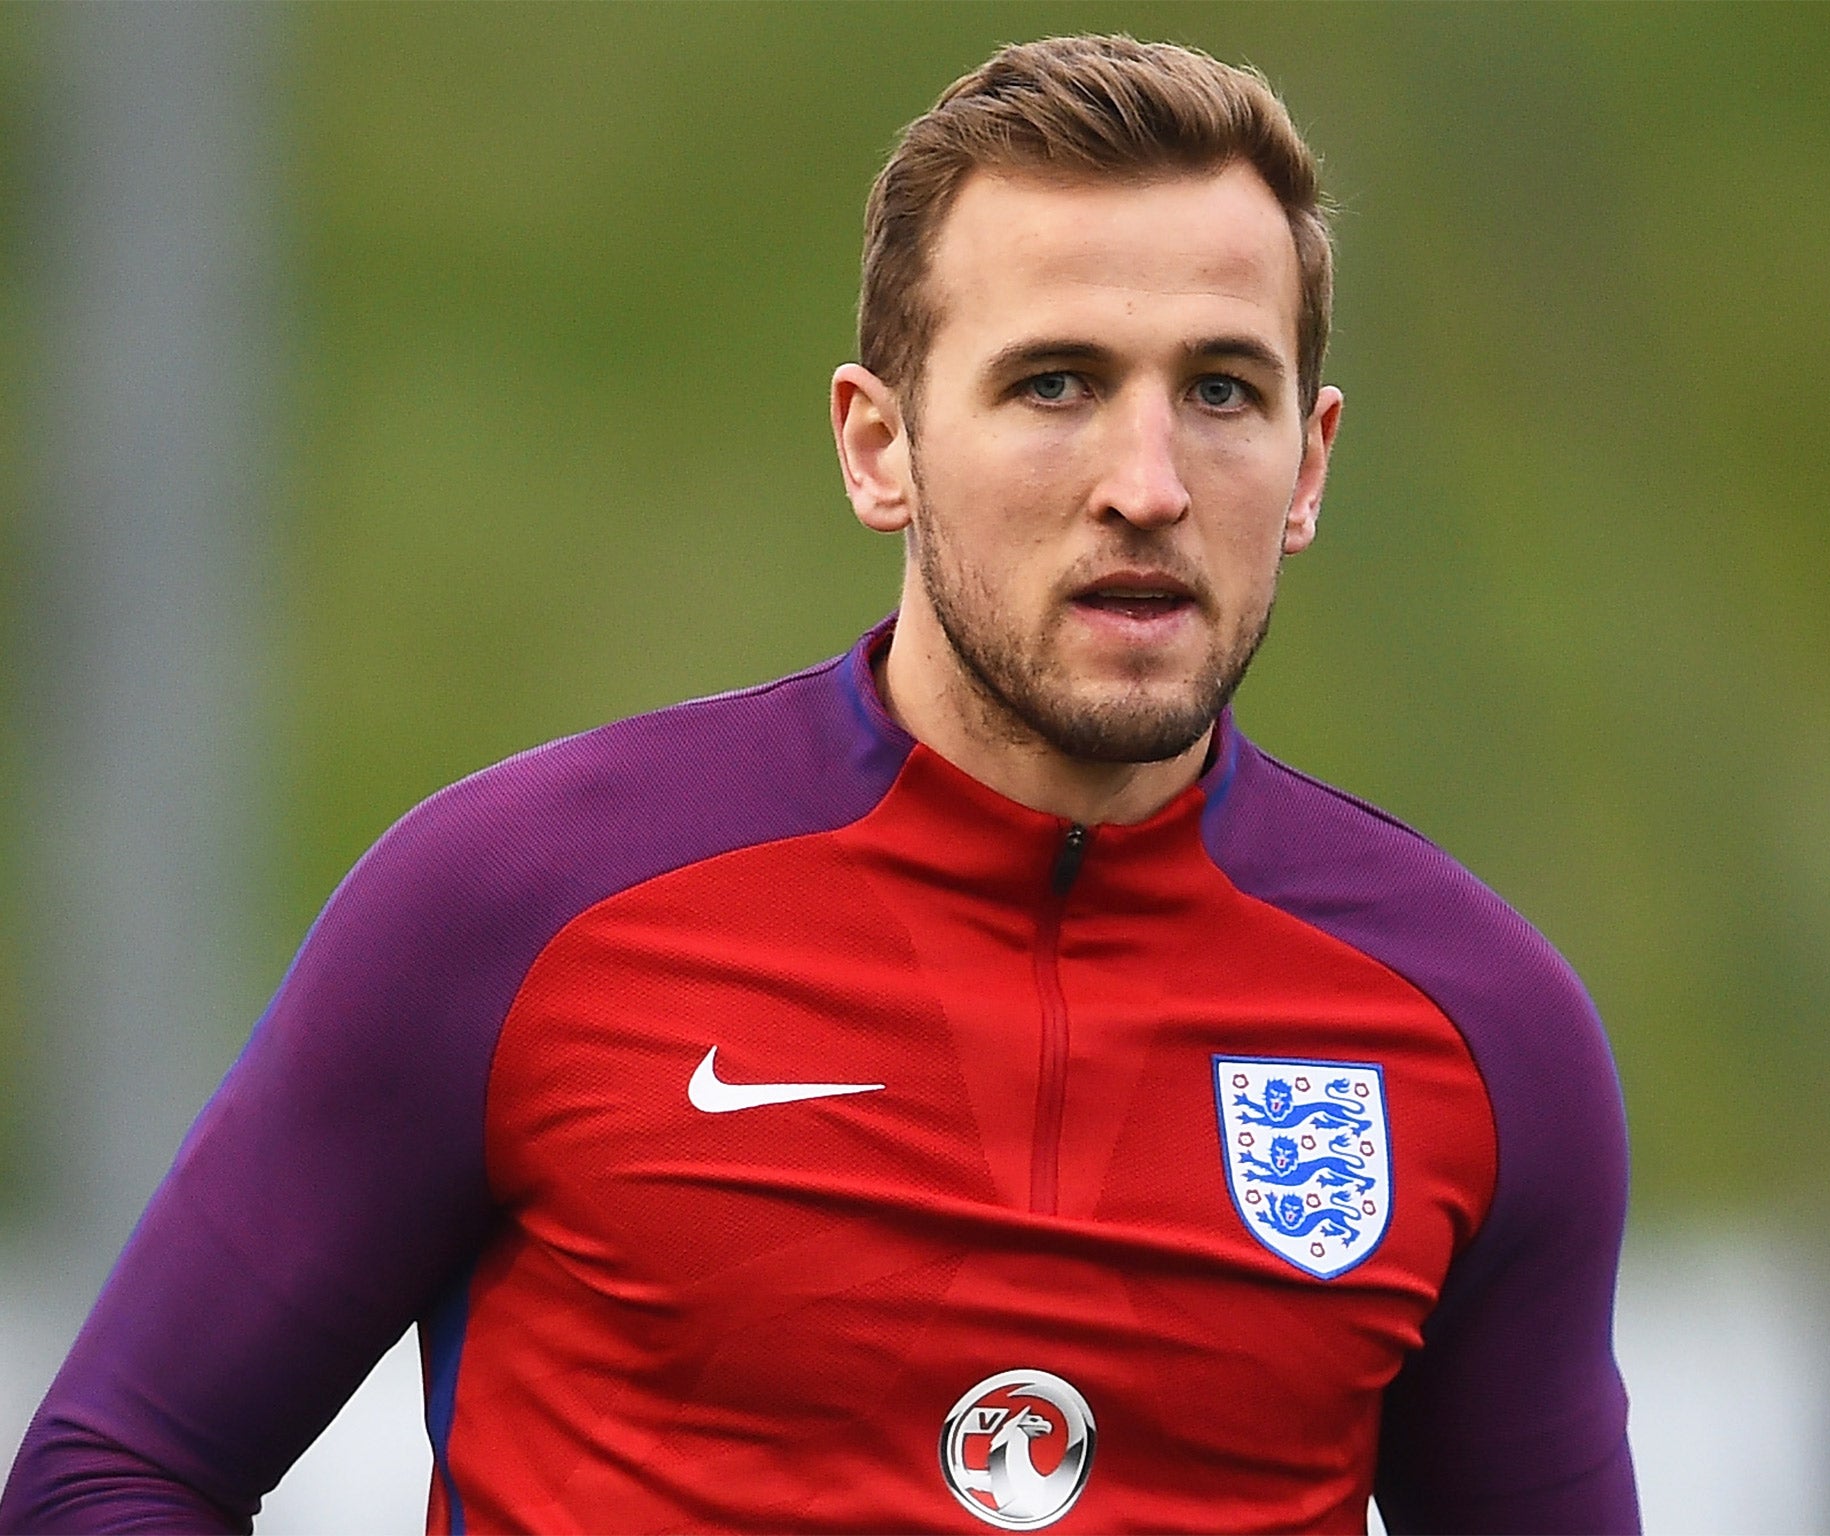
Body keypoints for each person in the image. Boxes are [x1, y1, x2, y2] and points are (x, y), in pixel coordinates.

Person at [3, 34, 1637, 1535]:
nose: (1146, 486)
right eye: (1055, 383)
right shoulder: (514, 905)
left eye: (1221, 391)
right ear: (881, 447)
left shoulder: (1479, 1029)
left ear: (1310, 463)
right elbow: (113, 1475)